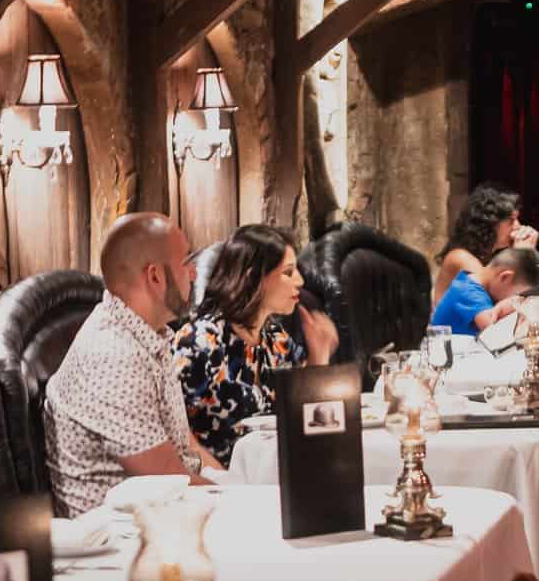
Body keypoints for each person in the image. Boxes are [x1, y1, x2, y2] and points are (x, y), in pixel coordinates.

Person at [41, 211, 218, 516]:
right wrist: (240, 500)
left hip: (164, 511)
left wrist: (229, 483)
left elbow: (183, 444)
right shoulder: (112, 357)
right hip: (121, 540)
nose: (193, 273)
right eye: (186, 261)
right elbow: (170, 480)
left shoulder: (144, 331)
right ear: (155, 276)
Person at [171, 225, 339, 467]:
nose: (300, 281)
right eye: (288, 272)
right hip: (217, 487)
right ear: (253, 278)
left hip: (273, 475)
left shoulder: (275, 339)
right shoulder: (198, 342)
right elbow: (176, 435)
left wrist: (318, 356)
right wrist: (225, 483)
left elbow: (304, 417)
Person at [433, 182, 538, 314]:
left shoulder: (489, 257)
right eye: (511, 221)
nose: (518, 226)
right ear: (490, 223)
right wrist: (521, 256)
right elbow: (503, 304)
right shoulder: (461, 257)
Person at [430, 244, 539, 337]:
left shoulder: (470, 281)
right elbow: (496, 335)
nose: (512, 298)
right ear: (505, 277)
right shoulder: (469, 293)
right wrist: (515, 304)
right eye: (516, 294)